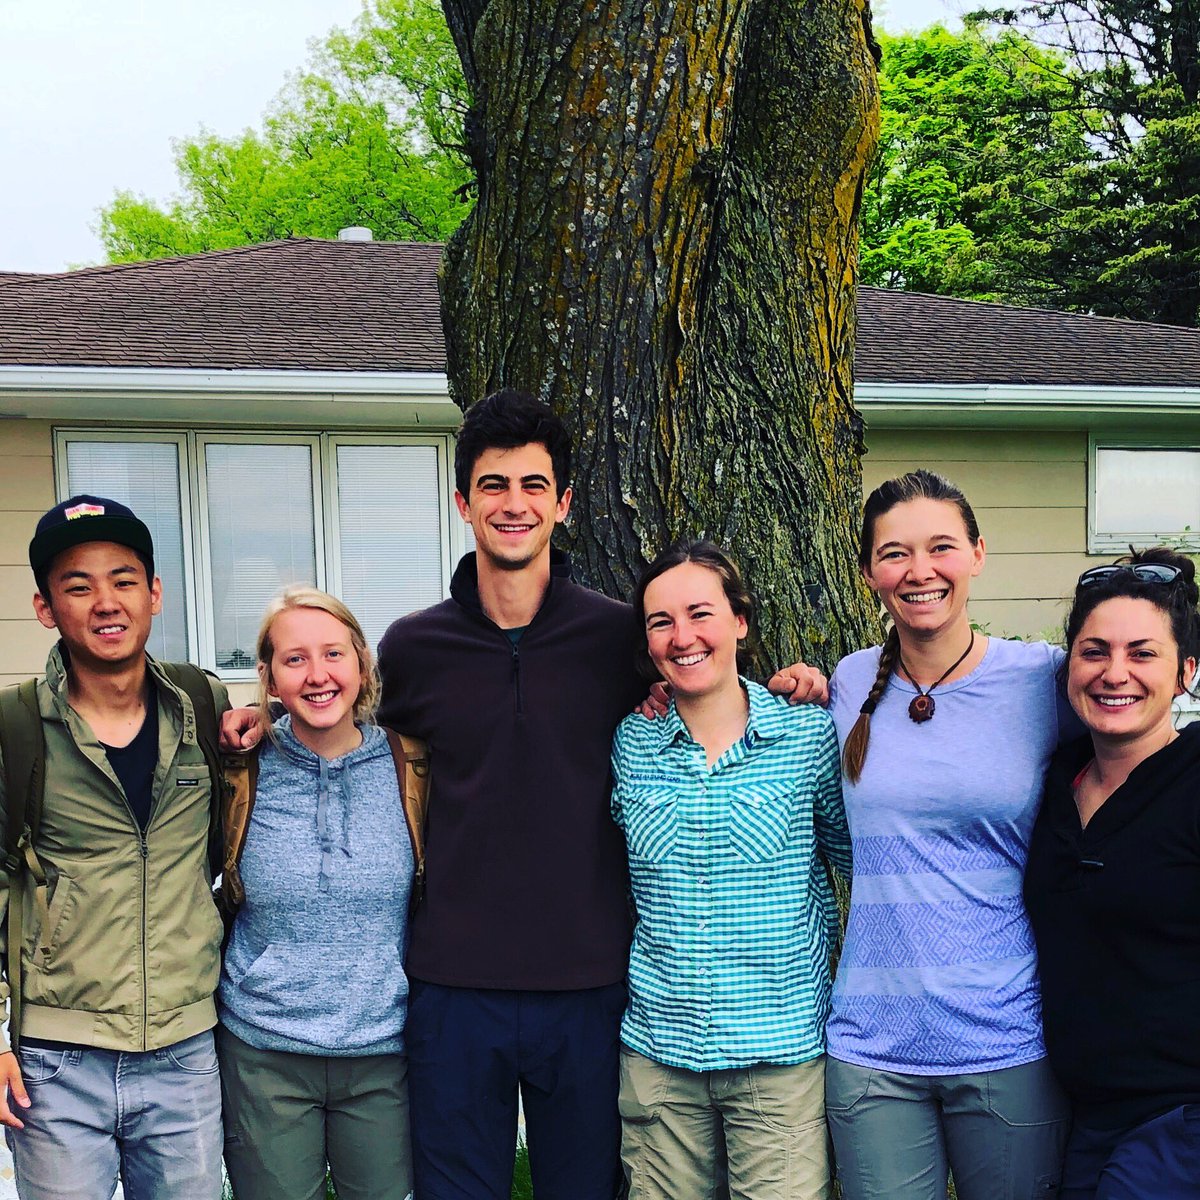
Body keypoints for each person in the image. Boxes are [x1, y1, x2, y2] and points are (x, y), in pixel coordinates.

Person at [219, 387, 826, 1199]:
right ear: (464, 500)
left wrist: (797, 684)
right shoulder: (416, 646)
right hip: (451, 987)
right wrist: (261, 717)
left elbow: (707, 679)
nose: (514, 505)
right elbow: (346, 727)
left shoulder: (620, 636)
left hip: (588, 984)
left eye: (534, 486)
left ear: (564, 503)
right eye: (495, 486)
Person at [822, 469, 1070, 1200]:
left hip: (1006, 1038)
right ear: (869, 572)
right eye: (895, 553)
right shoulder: (846, 681)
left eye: (941, 548)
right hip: (872, 1045)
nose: (919, 571)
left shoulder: (1042, 681)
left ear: (978, 554)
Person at [0, 495, 227, 1199]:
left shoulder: (204, 708)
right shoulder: (15, 729)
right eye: (78, 585)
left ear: (154, 593)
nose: (106, 602)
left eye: (124, 579)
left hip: (185, 1053)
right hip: (56, 1065)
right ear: (45, 608)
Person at [611, 542, 851, 1200]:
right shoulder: (632, 742)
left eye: (700, 614)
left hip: (777, 1059)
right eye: (661, 622)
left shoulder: (806, 735)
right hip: (660, 1060)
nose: (682, 637)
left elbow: (857, 861)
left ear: (740, 622)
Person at [218, 586, 415, 1200]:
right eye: (295, 659)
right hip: (264, 1051)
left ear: (361, 664)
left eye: (333, 654)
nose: (317, 674)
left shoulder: (413, 767)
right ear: (271, 679)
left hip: (383, 1050)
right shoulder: (238, 770)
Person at [1024, 550, 1200, 1199]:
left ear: (1185, 672)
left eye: (1142, 653)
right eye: (1094, 651)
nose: (1114, 673)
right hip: (1085, 1120)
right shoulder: (1048, 782)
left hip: (1180, 1117)